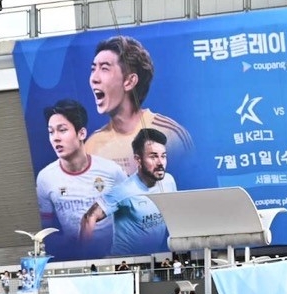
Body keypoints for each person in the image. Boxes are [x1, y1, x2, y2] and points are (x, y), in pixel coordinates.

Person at [83, 36, 193, 175]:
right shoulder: (92, 145)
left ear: (129, 81)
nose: (94, 78)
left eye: (104, 69)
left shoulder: (172, 135)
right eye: (93, 69)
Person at [36, 98, 127, 259]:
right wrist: (65, 243)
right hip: (75, 261)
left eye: (62, 130)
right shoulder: (45, 178)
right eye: (51, 131)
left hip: (115, 259)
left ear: (82, 133)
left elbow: (131, 216)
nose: (55, 138)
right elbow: (45, 232)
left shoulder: (112, 171)